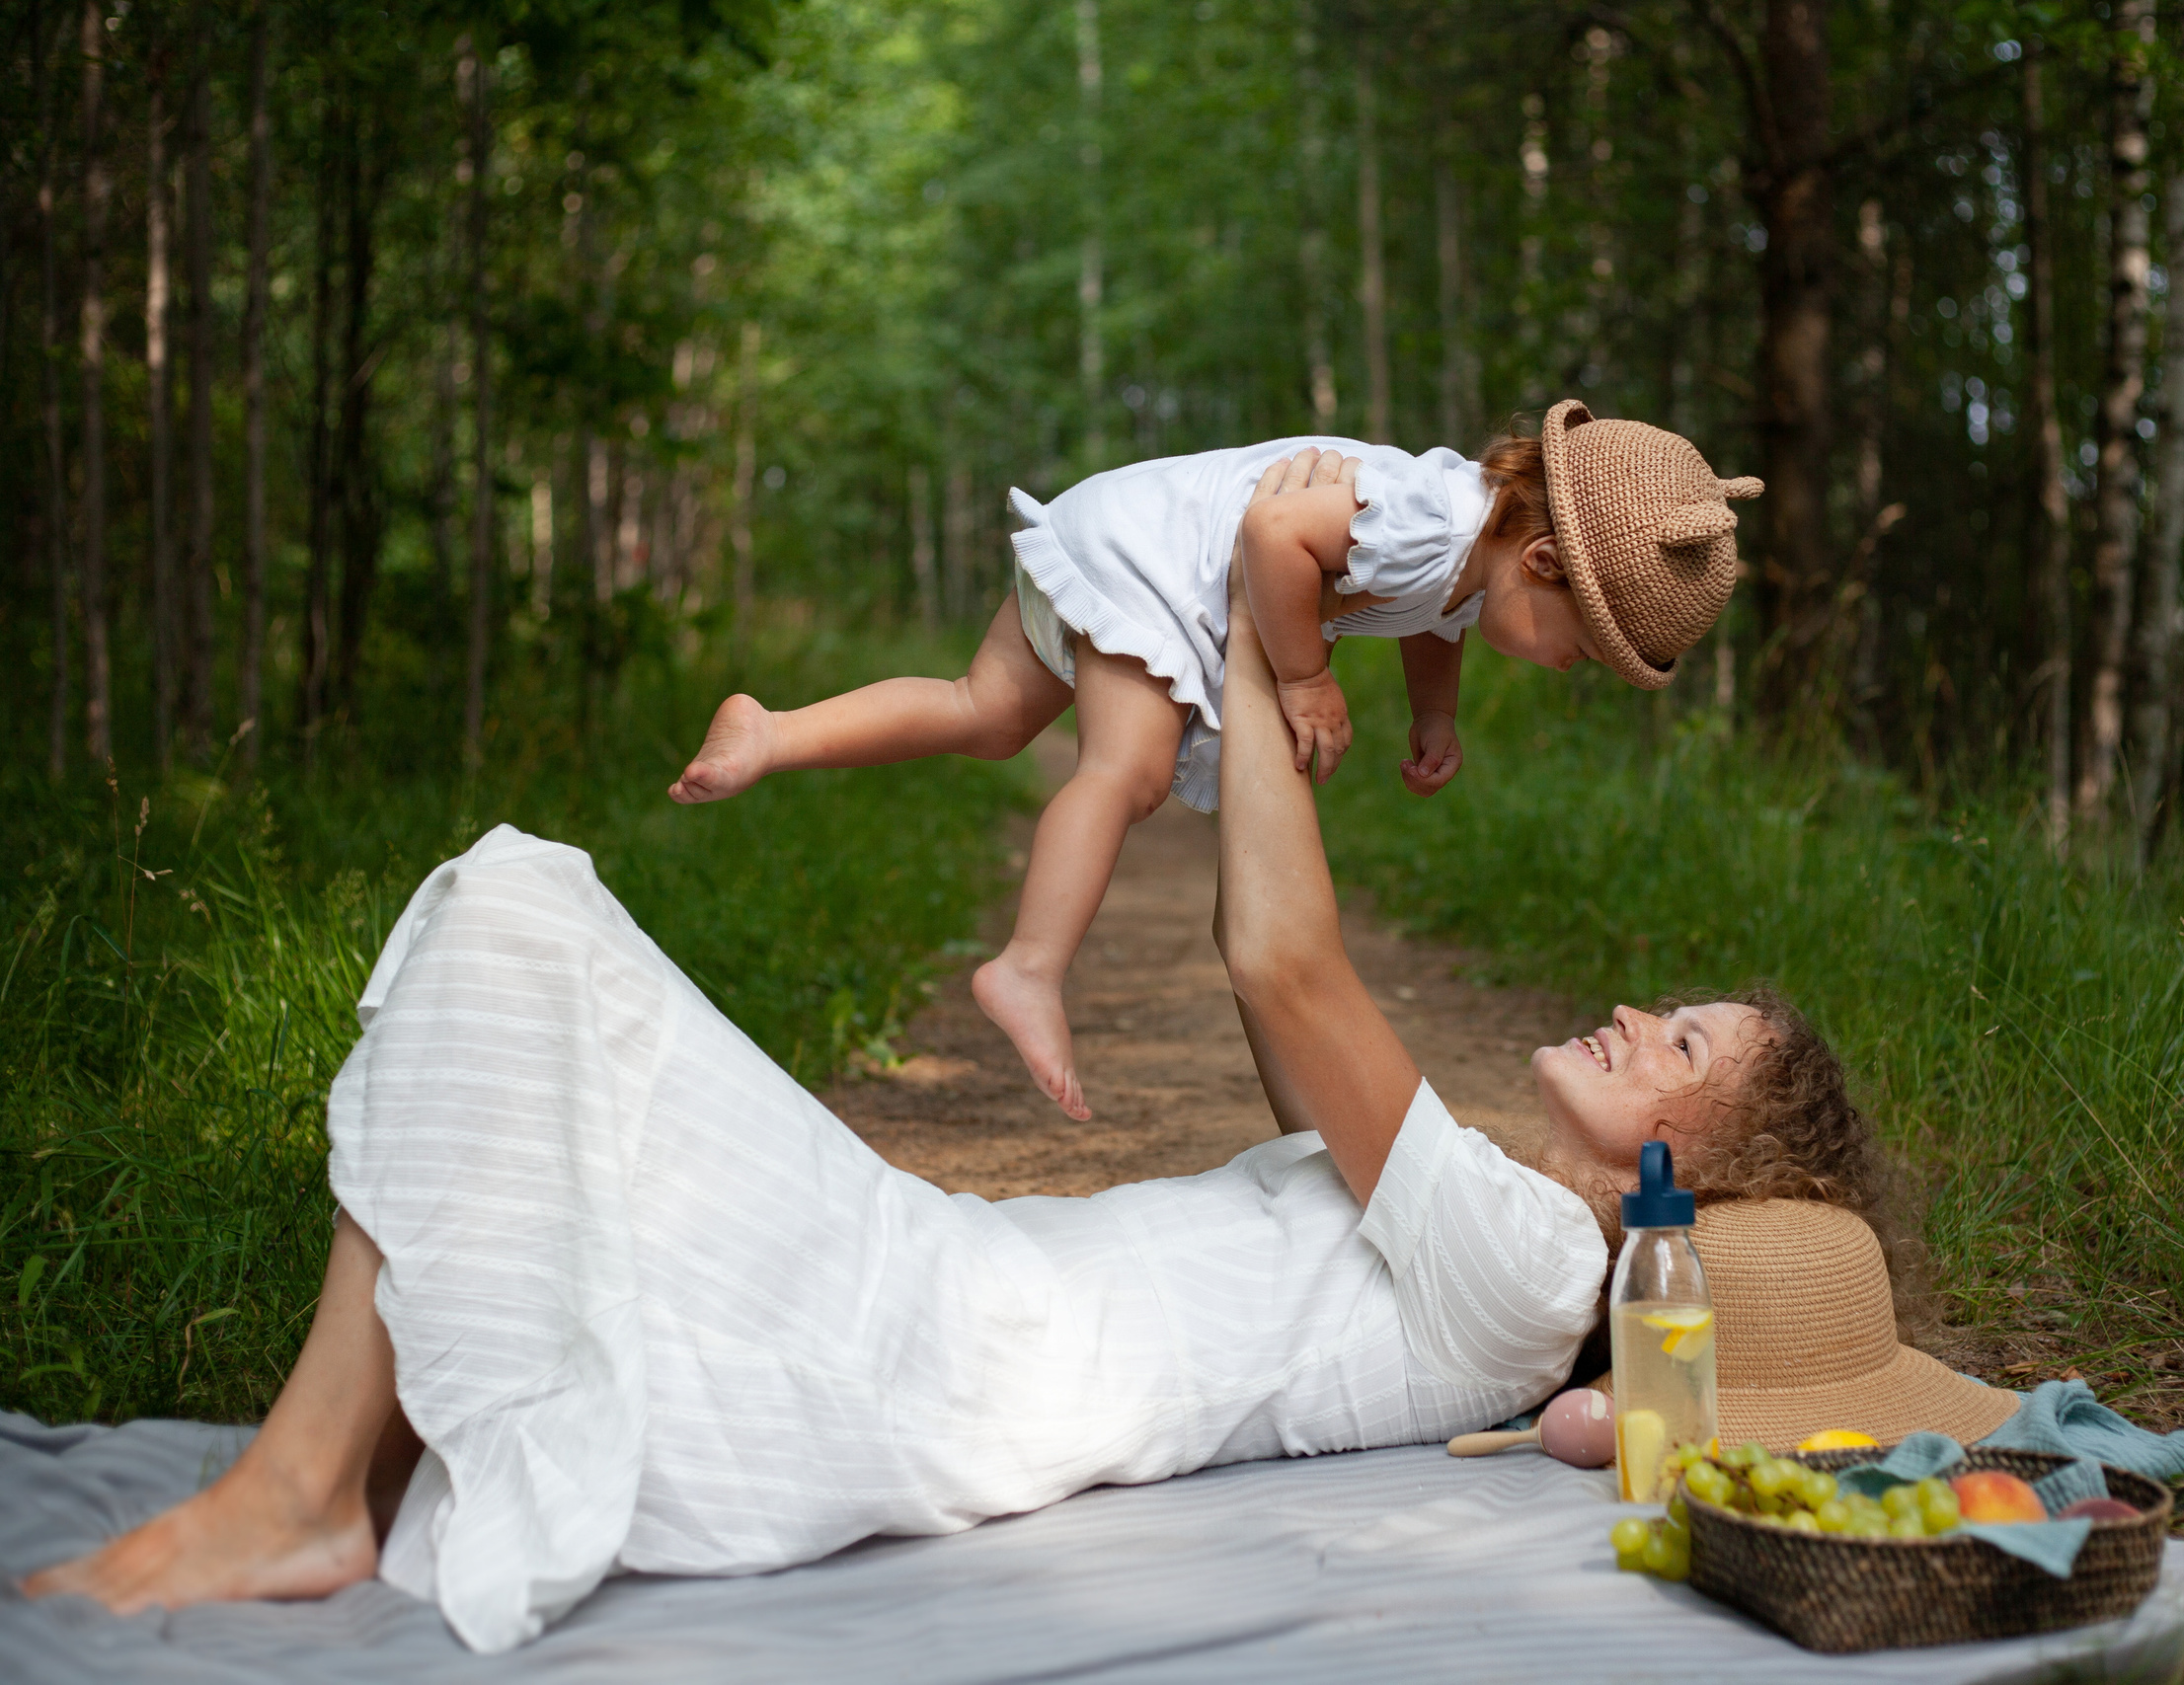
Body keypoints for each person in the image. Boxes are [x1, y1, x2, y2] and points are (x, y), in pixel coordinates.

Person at [23, 454, 1990, 1657]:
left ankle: (300, 1491)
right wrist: (1276, 632)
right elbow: (1275, 995)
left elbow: (1287, 959)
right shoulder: (1483, 1226)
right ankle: (317, 1481)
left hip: (933, 1354)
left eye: (1682, 1040)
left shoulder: (1537, 1266)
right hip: (936, 1287)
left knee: (518, 918)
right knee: (519, 942)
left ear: (1696, 1162)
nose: (1639, 1010)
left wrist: (1258, 621)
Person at [668, 401, 1762, 1121]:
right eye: (1583, 648)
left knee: (985, 710)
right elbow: (1276, 540)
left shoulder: (1467, 545)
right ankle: (1028, 966)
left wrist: (1435, 713)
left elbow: (1437, 617)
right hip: (1155, 563)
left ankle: (775, 731)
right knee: (1125, 773)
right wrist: (1304, 678)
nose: (1571, 668)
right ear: (1543, 562)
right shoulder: (1431, 523)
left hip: (1116, 527)